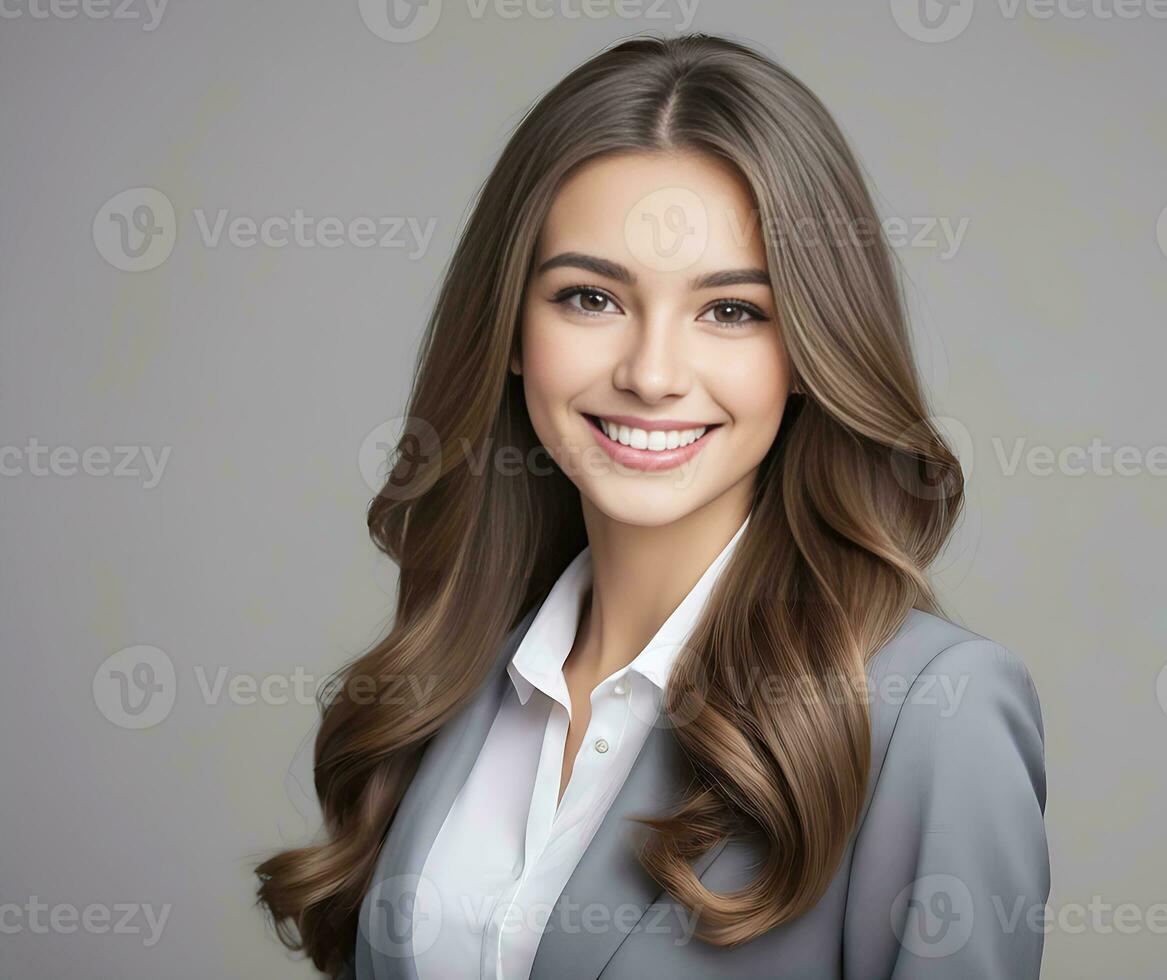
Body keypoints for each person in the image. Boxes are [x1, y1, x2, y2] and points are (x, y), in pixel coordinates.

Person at [255, 32, 1049, 979]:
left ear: (808, 353)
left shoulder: (931, 713)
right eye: (590, 298)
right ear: (511, 329)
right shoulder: (456, 678)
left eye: (730, 311)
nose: (651, 374)